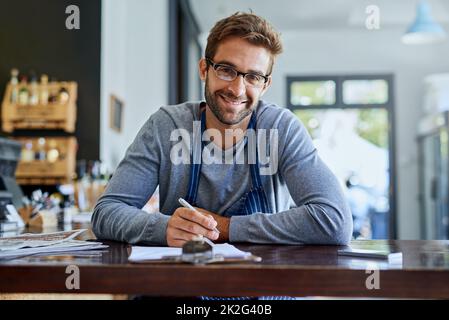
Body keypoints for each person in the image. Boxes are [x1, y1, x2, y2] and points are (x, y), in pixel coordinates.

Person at [92, 12, 352, 247]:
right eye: (226, 70)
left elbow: (335, 220)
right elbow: (106, 212)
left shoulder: (281, 129)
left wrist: (226, 228)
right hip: (184, 286)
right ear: (205, 69)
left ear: (265, 85)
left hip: (266, 287)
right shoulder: (166, 126)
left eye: (253, 77)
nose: (237, 90)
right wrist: (163, 227)